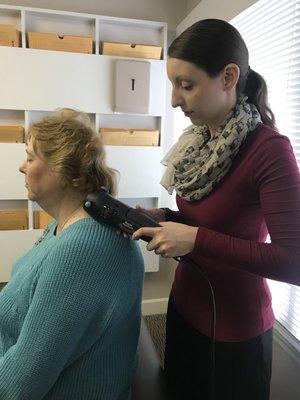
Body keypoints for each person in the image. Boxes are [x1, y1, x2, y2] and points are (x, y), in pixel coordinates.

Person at [132, 19, 300, 400]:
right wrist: (168, 220)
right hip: (183, 310)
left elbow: (294, 262)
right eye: (173, 84)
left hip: (235, 334)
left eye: (186, 85)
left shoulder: (269, 151)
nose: (175, 100)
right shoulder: (198, 142)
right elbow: (206, 220)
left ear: (228, 77)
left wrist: (194, 238)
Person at [0, 109, 144, 399]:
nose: (21, 167)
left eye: (30, 158)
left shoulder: (81, 252)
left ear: (62, 170)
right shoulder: (63, 225)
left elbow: (18, 387)